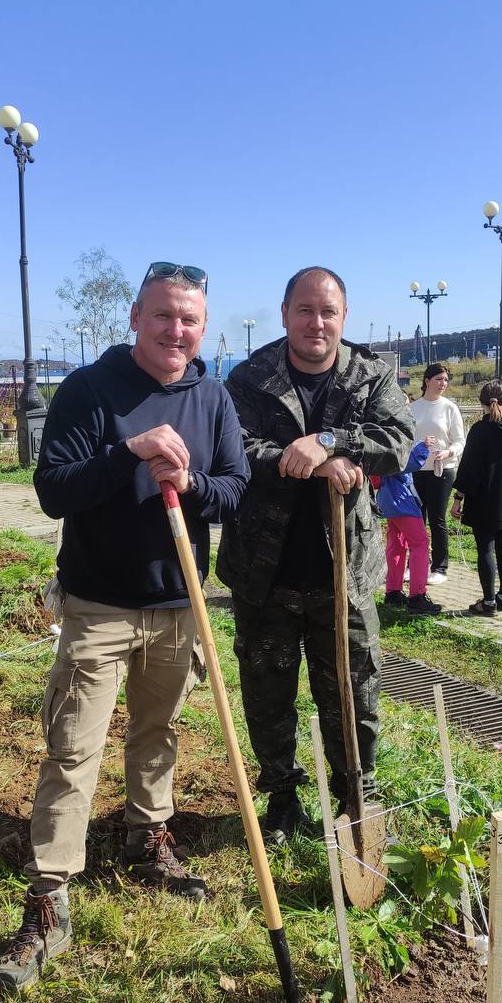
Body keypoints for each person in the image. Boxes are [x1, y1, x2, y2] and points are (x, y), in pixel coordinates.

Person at [0, 263, 249, 990]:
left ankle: (147, 836)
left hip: (178, 605)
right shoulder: (89, 390)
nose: (177, 331)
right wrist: (128, 454)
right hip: (99, 605)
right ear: (136, 317)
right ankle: (49, 897)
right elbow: (53, 490)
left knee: (157, 732)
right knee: (73, 748)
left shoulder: (212, 397)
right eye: (165, 315)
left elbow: (233, 490)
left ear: (204, 327)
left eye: (190, 320)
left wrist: (193, 484)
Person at [217, 266, 414, 842]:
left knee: (354, 692)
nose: (316, 322)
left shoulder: (370, 376)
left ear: (343, 317)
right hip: (265, 572)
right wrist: (298, 459)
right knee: (268, 692)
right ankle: (281, 795)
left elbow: (397, 441)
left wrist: (328, 441)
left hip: (343, 575)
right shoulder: (250, 379)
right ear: (284, 314)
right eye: (305, 310)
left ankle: (357, 794)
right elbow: (235, 448)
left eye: (328, 312)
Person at [450, 380, 502, 616]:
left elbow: (469, 468)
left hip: (483, 497)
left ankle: (489, 602)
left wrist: (458, 497)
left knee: (485, 549)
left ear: (481, 402)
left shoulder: (480, 430)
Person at [409, 364, 466, 584]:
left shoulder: (450, 408)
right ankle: (414, 564)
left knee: (437, 518)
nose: (443, 384)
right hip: (416, 469)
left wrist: (448, 451)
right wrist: (418, 447)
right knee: (415, 519)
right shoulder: (413, 407)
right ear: (426, 381)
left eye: (445, 380)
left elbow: (460, 441)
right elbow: (405, 438)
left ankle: (440, 567)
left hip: (442, 469)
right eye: (439, 379)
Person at [379, 433, 441, 616]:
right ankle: (417, 596)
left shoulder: (383, 434)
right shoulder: (394, 436)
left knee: (397, 543)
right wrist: (422, 448)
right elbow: (403, 464)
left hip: (389, 498)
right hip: (401, 499)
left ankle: (393, 592)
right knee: (420, 543)